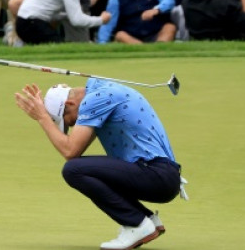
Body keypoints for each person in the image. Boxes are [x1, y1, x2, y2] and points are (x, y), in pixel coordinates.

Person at [13, 79, 181, 250]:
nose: (73, 126)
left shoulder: (96, 99)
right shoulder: (101, 92)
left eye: (69, 121)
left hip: (156, 174)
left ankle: (137, 224)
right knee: (89, 169)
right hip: (160, 174)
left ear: (70, 103)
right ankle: (147, 220)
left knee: (74, 170)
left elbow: (70, 151)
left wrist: (43, 117)